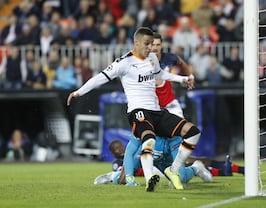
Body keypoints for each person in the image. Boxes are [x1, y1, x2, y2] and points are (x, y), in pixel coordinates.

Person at [67, 27, 200, 192]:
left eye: (152, 44)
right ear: (136, 43)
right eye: (147, 44)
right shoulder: (124, 62)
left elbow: (159, 75)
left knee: (193, 132)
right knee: (148, 140)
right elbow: (100, 78)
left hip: (157, 111)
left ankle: (173, 171)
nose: (150, 48)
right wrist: (78, 92)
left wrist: (182, 79)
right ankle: (149, 177)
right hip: (138, 111)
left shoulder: (152, 58)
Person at [94, 136, 212, 186]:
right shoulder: (142, 126)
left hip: (166, 159)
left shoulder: (172, 134)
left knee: (181, 178)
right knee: (123, 179)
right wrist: (125, 175)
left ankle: (196, 168)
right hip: (145, 156)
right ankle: (112, 176)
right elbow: (129, 152)